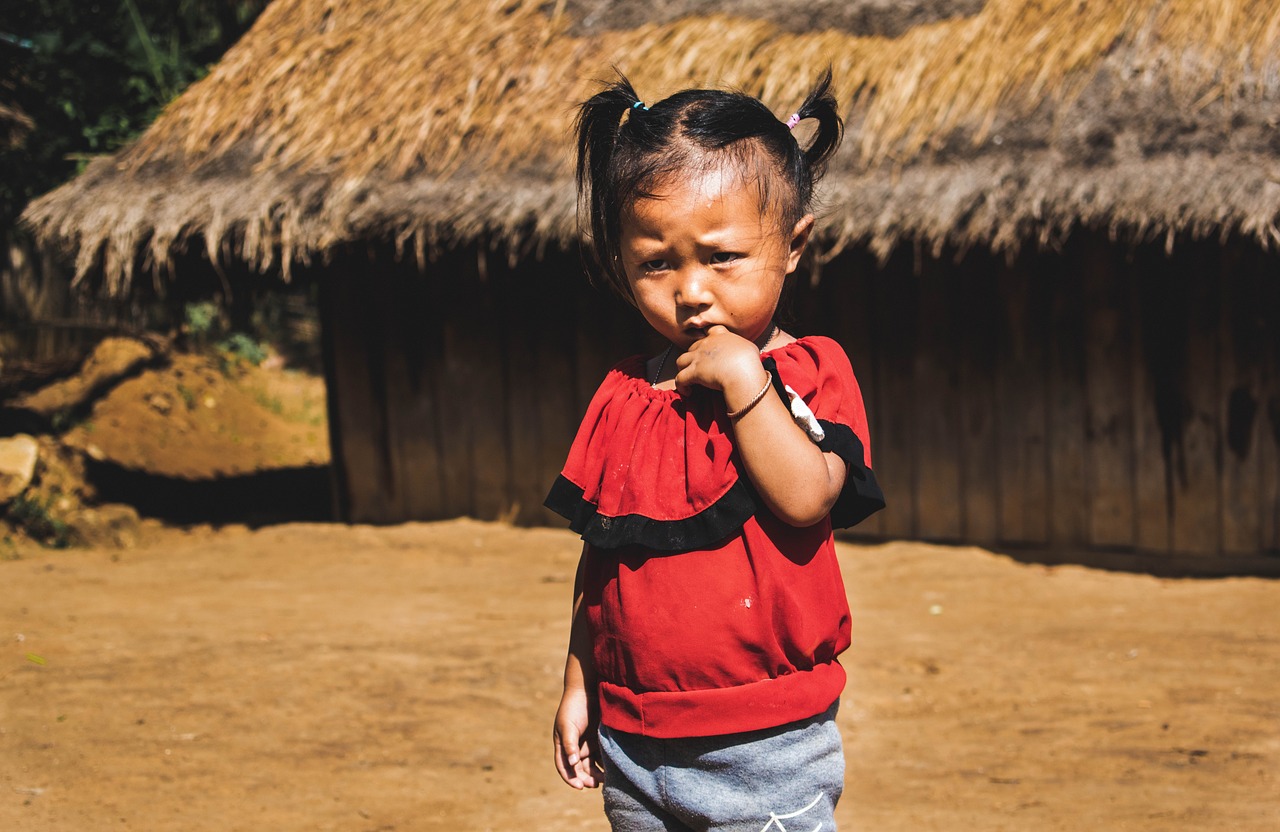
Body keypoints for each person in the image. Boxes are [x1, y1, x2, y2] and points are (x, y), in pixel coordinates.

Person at [546, 69, 886, 831]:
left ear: (792, 247)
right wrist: (579, 683)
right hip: (633, 743)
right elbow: (601, 558)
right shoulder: (623, 396)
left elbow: (808, 497)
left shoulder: (808, 373)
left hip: (763, 747)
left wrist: (745, 385)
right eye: (657, 263)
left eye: (721, 257)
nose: (691, 289)